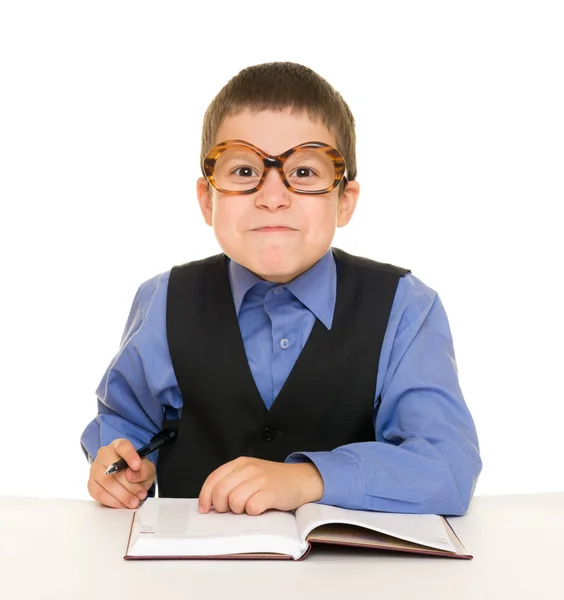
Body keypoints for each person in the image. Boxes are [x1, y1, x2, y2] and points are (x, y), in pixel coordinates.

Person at [81, 61, 482, 517]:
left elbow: (447, 464)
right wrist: (119, 460)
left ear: (344, 201)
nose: (273, 196)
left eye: (305, 172)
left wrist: (308, 479)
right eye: (245, 171)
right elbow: (124, 423)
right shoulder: (163, 300)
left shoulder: (406, 308)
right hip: (192, 579)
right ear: (207, 200)